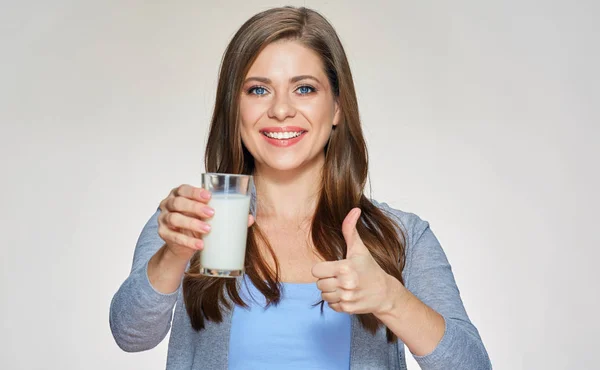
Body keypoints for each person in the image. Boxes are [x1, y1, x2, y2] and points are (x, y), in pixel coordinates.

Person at [110, 6, 491, 370]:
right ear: (234, 108)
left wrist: (391, 299)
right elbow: (130, 334)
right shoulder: (190, 221)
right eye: (258, 90)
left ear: (337, 107)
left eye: (304, 89)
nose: (280, 110)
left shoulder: (401, 235)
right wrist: (173, 255)